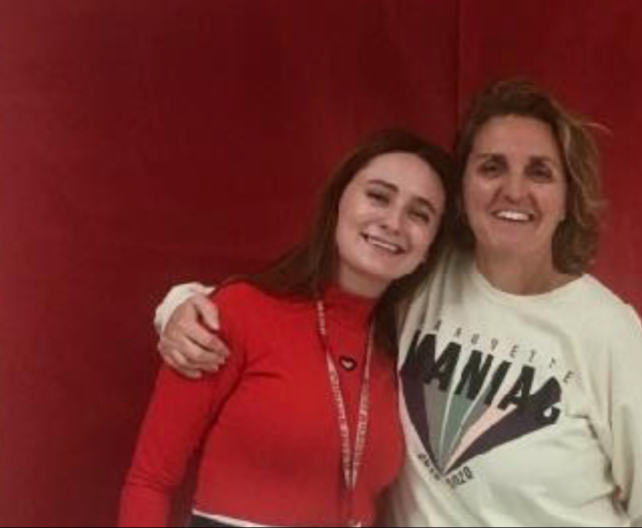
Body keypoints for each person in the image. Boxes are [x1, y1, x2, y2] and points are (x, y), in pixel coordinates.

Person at [154, 80, 642, 527]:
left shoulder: (607, 330)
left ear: (568, 198)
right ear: (463, 189)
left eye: (540, 171)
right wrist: (183, 306)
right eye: (491, 167)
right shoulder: (422, 278)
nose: (513, 190)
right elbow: (306, 303)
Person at [119, 129, 454, 527]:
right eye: (378, 196)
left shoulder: (404, 350)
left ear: (429, 249)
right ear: (337, 204)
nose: (393, 222)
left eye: (419, 214)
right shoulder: (232, 312)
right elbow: (149, 482)